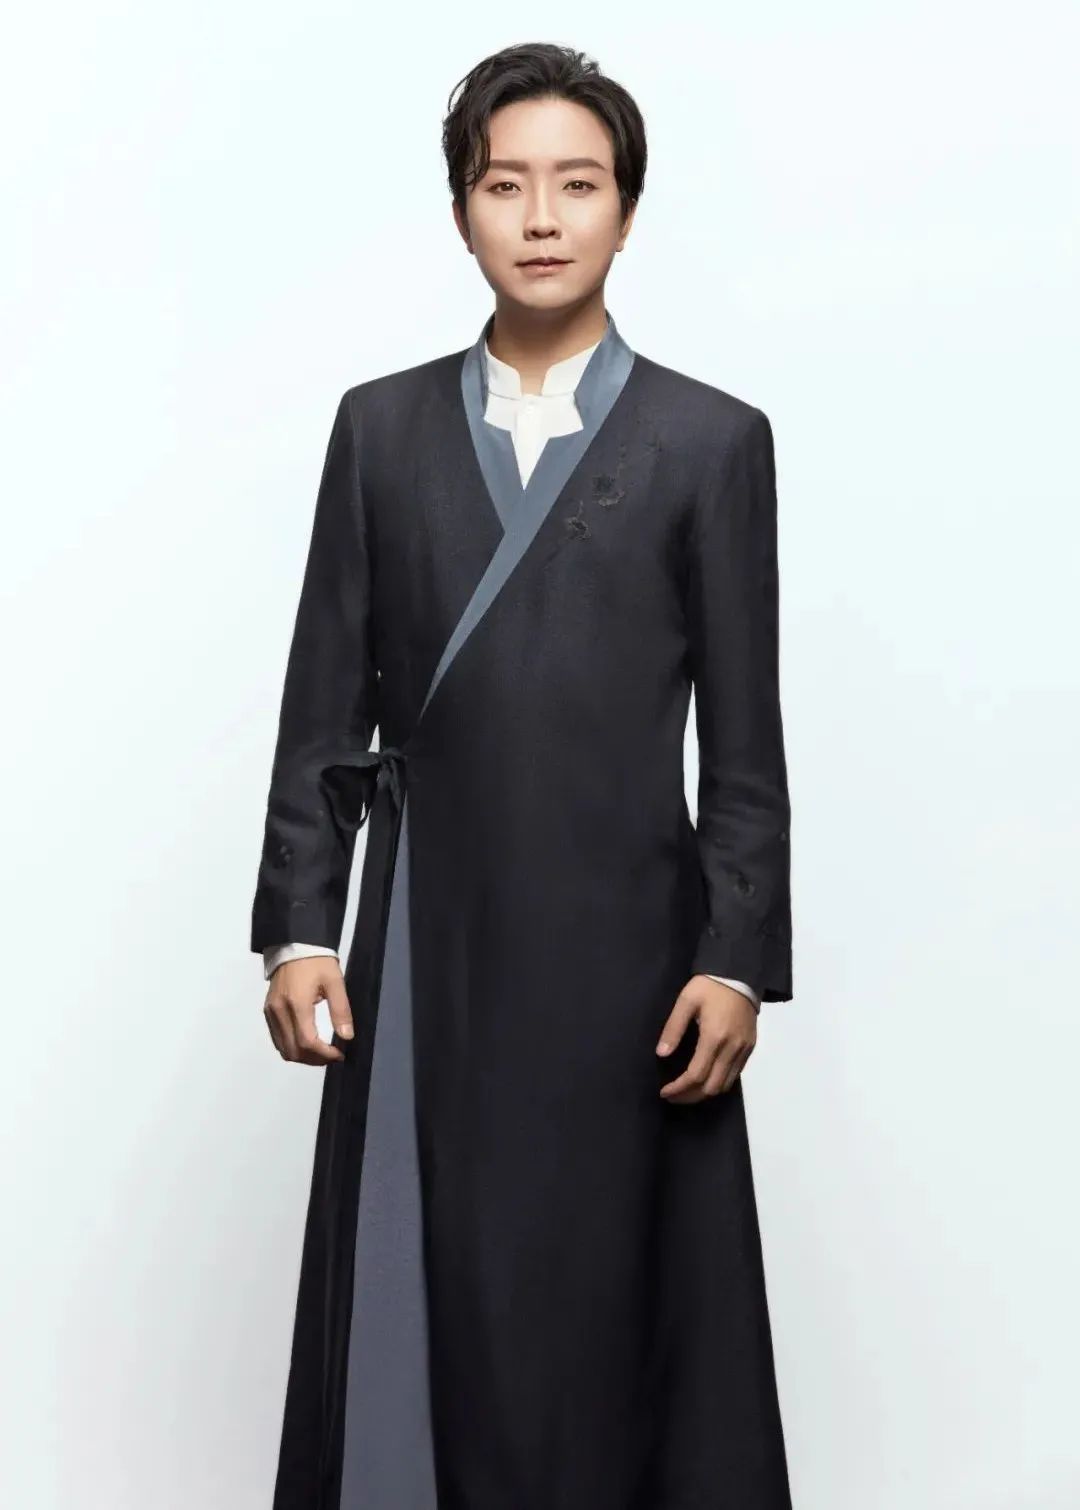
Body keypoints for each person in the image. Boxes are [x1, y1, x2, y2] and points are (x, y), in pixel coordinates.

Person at [251, 39, 794, 1510]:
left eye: (579, 184)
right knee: (429, 1296)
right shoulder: (379, 430)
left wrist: (735, 959)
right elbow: (323, 708)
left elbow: (746, 751)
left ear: (628, 209)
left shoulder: (711, 442)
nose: (542, 217)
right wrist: (301, 929)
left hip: (637, 969)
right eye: (507, 185)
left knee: (616, 1324)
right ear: (461, 210)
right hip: (432, 946)